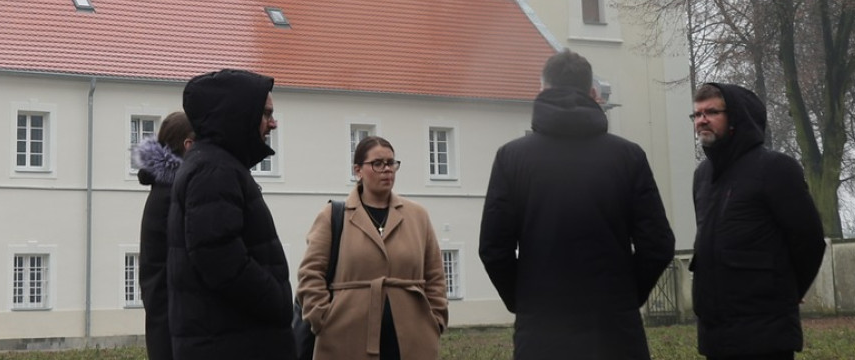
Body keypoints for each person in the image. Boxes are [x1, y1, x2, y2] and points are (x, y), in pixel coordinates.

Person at [479, 50, 675, 359]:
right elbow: (659, 245)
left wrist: (525, 301)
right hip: (614, 333)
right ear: (593, 94)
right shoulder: (628, 157)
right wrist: (625, 296)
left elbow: (493, 249)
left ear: (541, 91)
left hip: (541, 333)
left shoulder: (511, 158)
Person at [688, 82, 827, 360]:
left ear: (736, 117)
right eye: (697, 114)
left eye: (711, 112)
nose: (702, 119)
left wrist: (788, 290)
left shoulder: (776, 168)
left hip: (764, 335)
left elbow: (809, 241)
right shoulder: (703, 175)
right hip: (715, 335)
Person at [168, 68, 293, 360]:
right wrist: (276, 301)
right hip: (231, 344)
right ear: (238, 115)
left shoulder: (216, 164)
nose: (273, 123)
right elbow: (218, 257)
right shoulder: (215, 170)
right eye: (265, 113)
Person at [296, 136, 450, 360]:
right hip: (344, 339)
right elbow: (310, 274)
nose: (387, 170)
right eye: (378, 163)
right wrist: (322, 318)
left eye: (391, 163)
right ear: (358, 170)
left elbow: (435, 276)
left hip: (412, 340)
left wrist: (435, 320)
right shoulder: (332, 216)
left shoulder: (417, 216)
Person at [135, 111, 195, 360]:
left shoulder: (162, 188)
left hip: (164, 317)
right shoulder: (176, 194)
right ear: (188, 145)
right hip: (175, 322)